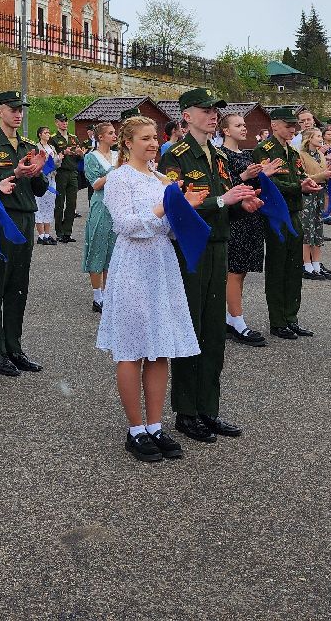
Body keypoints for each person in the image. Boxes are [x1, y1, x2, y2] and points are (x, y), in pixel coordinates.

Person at [98, 115, 204, 462]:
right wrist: (165, 207)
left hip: (161, 264)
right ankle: (135, 429)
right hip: (132, 265)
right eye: (144, 138)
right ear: (127, 143)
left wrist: (184, 210)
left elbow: (170, 229)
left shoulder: (162, 179)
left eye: (155, 137)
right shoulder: (119, 178)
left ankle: (156, 425)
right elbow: (126, 225)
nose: (152, 143)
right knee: (132, 348)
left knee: (159, 346)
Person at [157, 87, 256, 443]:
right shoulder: (175, 157)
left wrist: (240, 202)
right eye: (205, 109)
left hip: (218, 246)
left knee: (214, 332)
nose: (213, 115)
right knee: (191, 327)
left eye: (216, 110)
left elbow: (225, 196)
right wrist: (221, 200)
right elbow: (174, 207)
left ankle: (208, 408)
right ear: (186, 115)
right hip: (191, 250)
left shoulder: (218, 155)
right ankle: (186, 411)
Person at [0, 91, 49, 377]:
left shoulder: (28, 146)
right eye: (13, 109)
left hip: (24, 217)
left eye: (21, 109)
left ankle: (15, 346)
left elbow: (41, 190)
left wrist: (37, 174)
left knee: (19, 284)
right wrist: (13, 176)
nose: (18, 114)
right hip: (1, 219)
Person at [252, 106, 324, 342]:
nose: (292, 128)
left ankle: (291, 318)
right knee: (278, 268)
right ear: (274, 126)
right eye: (288, 125)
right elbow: (268, 186)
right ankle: (278, 321)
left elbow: (298, 176)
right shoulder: (265, 150)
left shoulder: (291, 152)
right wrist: (298, 187)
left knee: (294, 268)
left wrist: (307, 183)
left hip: (294, 212)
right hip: (276, 216)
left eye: (294, 125)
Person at [215, 113, 280, 347]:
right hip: (234, 217)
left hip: (251, 215)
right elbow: (222, 187)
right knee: (233, 271)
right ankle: (237, 321)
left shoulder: (248, 154)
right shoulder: (220, 155)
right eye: (238, 125)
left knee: (240, 271)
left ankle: (231, 316)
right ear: (225, 130)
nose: (244, 128)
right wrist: (245, 176)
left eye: (244, 124)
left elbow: (253, 185)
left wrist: (264, 176)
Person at [82, 122, 119, 311]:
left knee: (113, 250)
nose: (115, 136)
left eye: (115, 133)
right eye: (111, 133)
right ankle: (97, 296)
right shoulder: (91, 157)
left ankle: (109, 292)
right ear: (100, 137)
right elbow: (96, 184)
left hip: (117, 205)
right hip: (101, 204)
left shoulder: (118, 155)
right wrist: (115, 171)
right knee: (98, 247)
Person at [297, 127, 331, 281]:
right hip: (307, 196)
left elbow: (322, 174)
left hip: (319, 194)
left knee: (318, 227)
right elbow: (303, 177)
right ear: (309, 138)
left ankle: (317, 264)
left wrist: (329, 170)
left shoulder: (320, 154)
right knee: (307, 230)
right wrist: (323, 174)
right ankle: (306, 265)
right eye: (318, 136)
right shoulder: (301, 156)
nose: (321, 138)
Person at [53, 112, 82, 244]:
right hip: (61, 173)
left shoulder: (73, 138)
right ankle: (59, 232)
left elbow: (80, 155)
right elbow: (51, 156)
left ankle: (67, 232)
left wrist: (79, 153)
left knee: (72, 203)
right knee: (59, 203)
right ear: (56, 123)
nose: (64, 123)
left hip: (73, 172)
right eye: (62, 121)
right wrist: (63, 152)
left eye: (65, 121)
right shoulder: (53, 138)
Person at [33, 126, 58, 246]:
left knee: (50, 205)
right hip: (41, 178)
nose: (48, 134)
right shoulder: (36, 147)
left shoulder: (52, 147)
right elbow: (35, 162)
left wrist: (58, 159)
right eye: (45, 132)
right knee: (39, 205)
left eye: (49, 132)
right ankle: (41, 235)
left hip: (52, 178)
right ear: (40, 135)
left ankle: (48, 234)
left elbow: (58, 162)